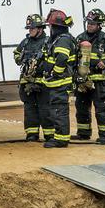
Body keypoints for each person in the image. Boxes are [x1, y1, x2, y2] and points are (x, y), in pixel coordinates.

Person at [73, 9, 105, 144]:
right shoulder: (80, 38)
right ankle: (83, 133)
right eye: (88, 23)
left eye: (92, 23)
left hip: (101, 81)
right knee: (81, 107)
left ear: (99, 25)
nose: (89, 25)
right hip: (84, 80)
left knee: (102, 109)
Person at [40, 9, 76, 148]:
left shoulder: (63, 40)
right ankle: (59, 137)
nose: (49, 28)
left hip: (61, 82)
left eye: (50, 26)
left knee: (59, 110)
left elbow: (62, 58)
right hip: (56, 82)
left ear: (56, 27)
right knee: (55, 110)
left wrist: (55, 72)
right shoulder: (57, 39)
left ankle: (61, 139)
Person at [13, 13, 49, 141]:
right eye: (29, 28)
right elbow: (16, 53)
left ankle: (49, 135)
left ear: (40, 29)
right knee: (30, 110)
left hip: (42, 83)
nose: (30, 31)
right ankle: (32, 134)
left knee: (45, 109)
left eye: (32, 28)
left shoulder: (48, 42)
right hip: (26, 82)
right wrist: (20, 59)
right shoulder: (26, 41)